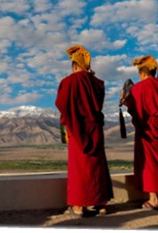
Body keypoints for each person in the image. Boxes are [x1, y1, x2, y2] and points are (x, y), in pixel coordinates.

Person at [55, 45, 113, 217]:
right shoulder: (97, 83)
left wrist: (68, 121)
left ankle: (79, 206)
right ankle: (100, 204)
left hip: (77, 129)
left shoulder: (69, 82)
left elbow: (62, 104)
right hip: (94, 130)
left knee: (79, 168)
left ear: (74, 64)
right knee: (96, 166)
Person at [120, 55, 158, 210]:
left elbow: (137, 111)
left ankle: (154, 199)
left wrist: (125, 100)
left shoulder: (139, 87)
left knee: (150, 164)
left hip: (146, 131)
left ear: (142, 73)